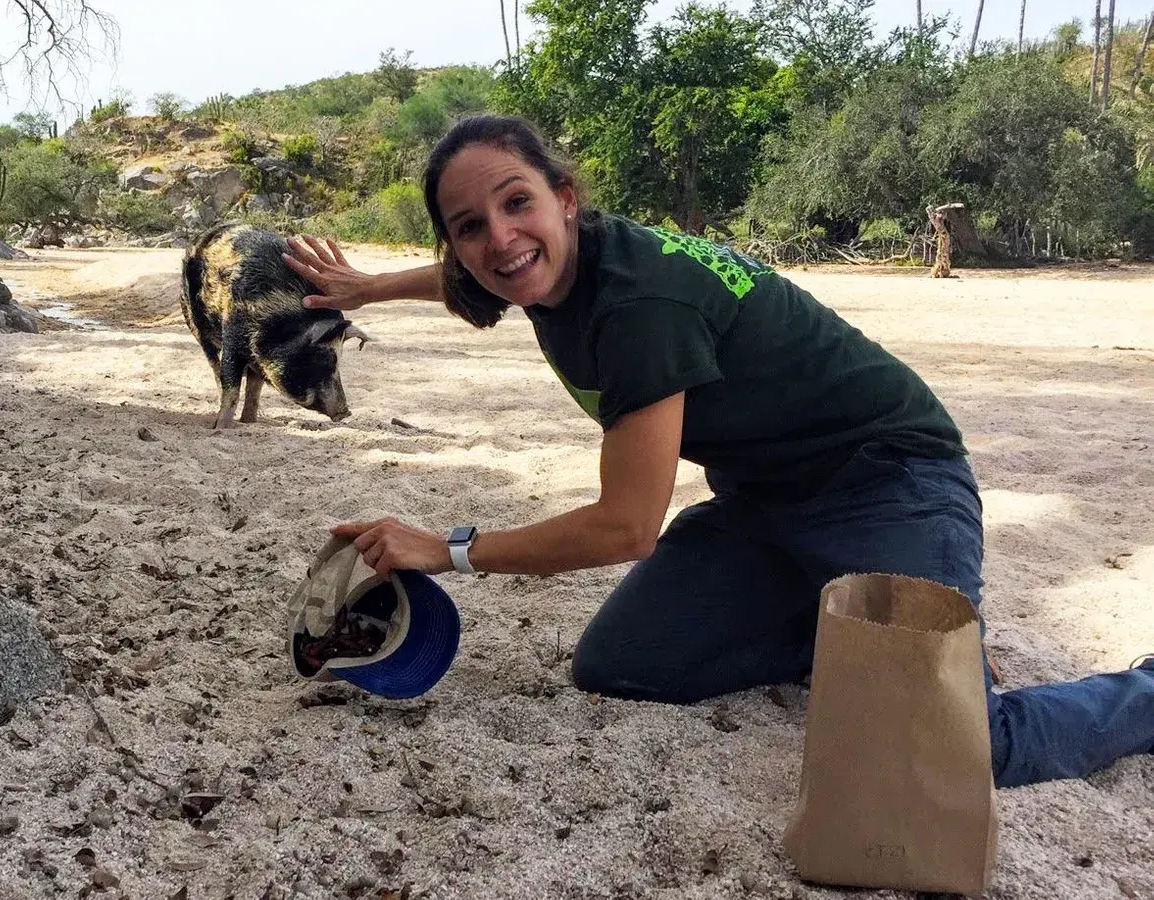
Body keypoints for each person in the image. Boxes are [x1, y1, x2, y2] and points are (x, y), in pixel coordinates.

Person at [279, 113, 1154, 790]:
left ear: (566, 197)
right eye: (468, 225)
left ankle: (1141, 693)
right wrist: (372, 288)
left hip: (892, 483)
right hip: (764, 505)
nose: (500, 238)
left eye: (517, 203)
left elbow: (626, 529)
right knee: (624, 666)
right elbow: (475, 274)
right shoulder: (556, 262)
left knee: (964, 747)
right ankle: (841, 623)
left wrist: (452, 550)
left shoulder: (636, 310)